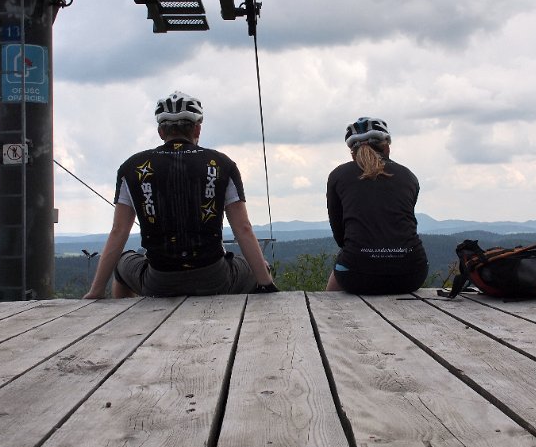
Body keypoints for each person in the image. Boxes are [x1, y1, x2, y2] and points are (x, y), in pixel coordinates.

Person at [84, 91, 277, 299]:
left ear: (160, 132)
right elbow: (243, 228)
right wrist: (266, 283)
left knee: (122, 264)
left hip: (158, 281)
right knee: (261, 266)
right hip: (215, 278)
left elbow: (119, 231)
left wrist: (95, 291)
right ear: (197, 128)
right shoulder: (222, 164)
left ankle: (130, 322)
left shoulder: (132, 167)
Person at [325, 117, 429, 294]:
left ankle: (326, 315)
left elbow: (340, 237)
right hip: (412, 274)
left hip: (356, 277)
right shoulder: (408, 176)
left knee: (344, 267)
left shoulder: (338, 175)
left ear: (352, 152)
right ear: (387, 146)